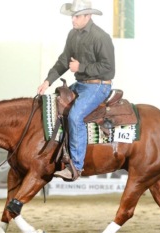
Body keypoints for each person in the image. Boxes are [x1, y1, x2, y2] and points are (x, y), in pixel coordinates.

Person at [37, 0, 115, 181]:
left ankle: (76, 166)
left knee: (75, 116)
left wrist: (81, 67)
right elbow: (64, 61)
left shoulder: (100, 37)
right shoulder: (73, 34)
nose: (73, 20)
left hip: (99, 86)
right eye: (72, 16)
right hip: (82, 84)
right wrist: (48, 81)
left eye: (77, 16)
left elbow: (109, 69)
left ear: (88, 16)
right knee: (54, 107)